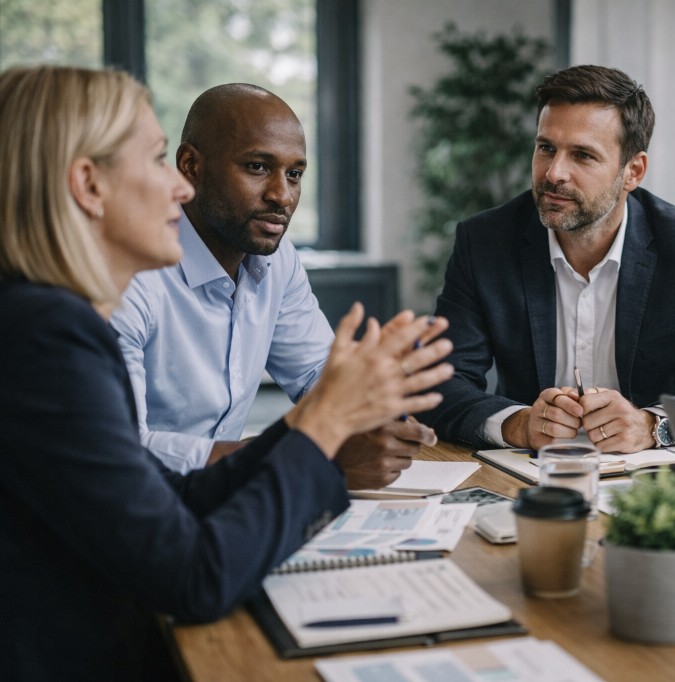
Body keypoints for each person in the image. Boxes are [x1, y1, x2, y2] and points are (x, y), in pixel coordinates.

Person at [0, 65, 453, 680]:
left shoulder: (47, 318)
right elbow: (193, 577)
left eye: (295, 174)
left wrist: (332, 423)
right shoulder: (46, 336)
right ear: (88, 184)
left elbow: (172, 494)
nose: (178, 190)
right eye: (159, 160)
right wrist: (318, 432)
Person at [420, 64, 675, 453]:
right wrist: (517, 423)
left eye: (583, 156)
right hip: (528, 474)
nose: (554, 173)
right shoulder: (486, 241)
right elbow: (440, 383)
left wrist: (652, 425)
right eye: (546, 148)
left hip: (651, 479)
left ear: (632, 171)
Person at [110, 83, 436, 473]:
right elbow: (122, 449)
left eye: (295, 174)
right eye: (257, 167)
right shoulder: (128, 275)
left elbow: (317, 373)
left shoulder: (278, 260)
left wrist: (376, 412)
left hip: (226, 498)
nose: (281, 195)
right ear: (190, 166)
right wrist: (304, 454)